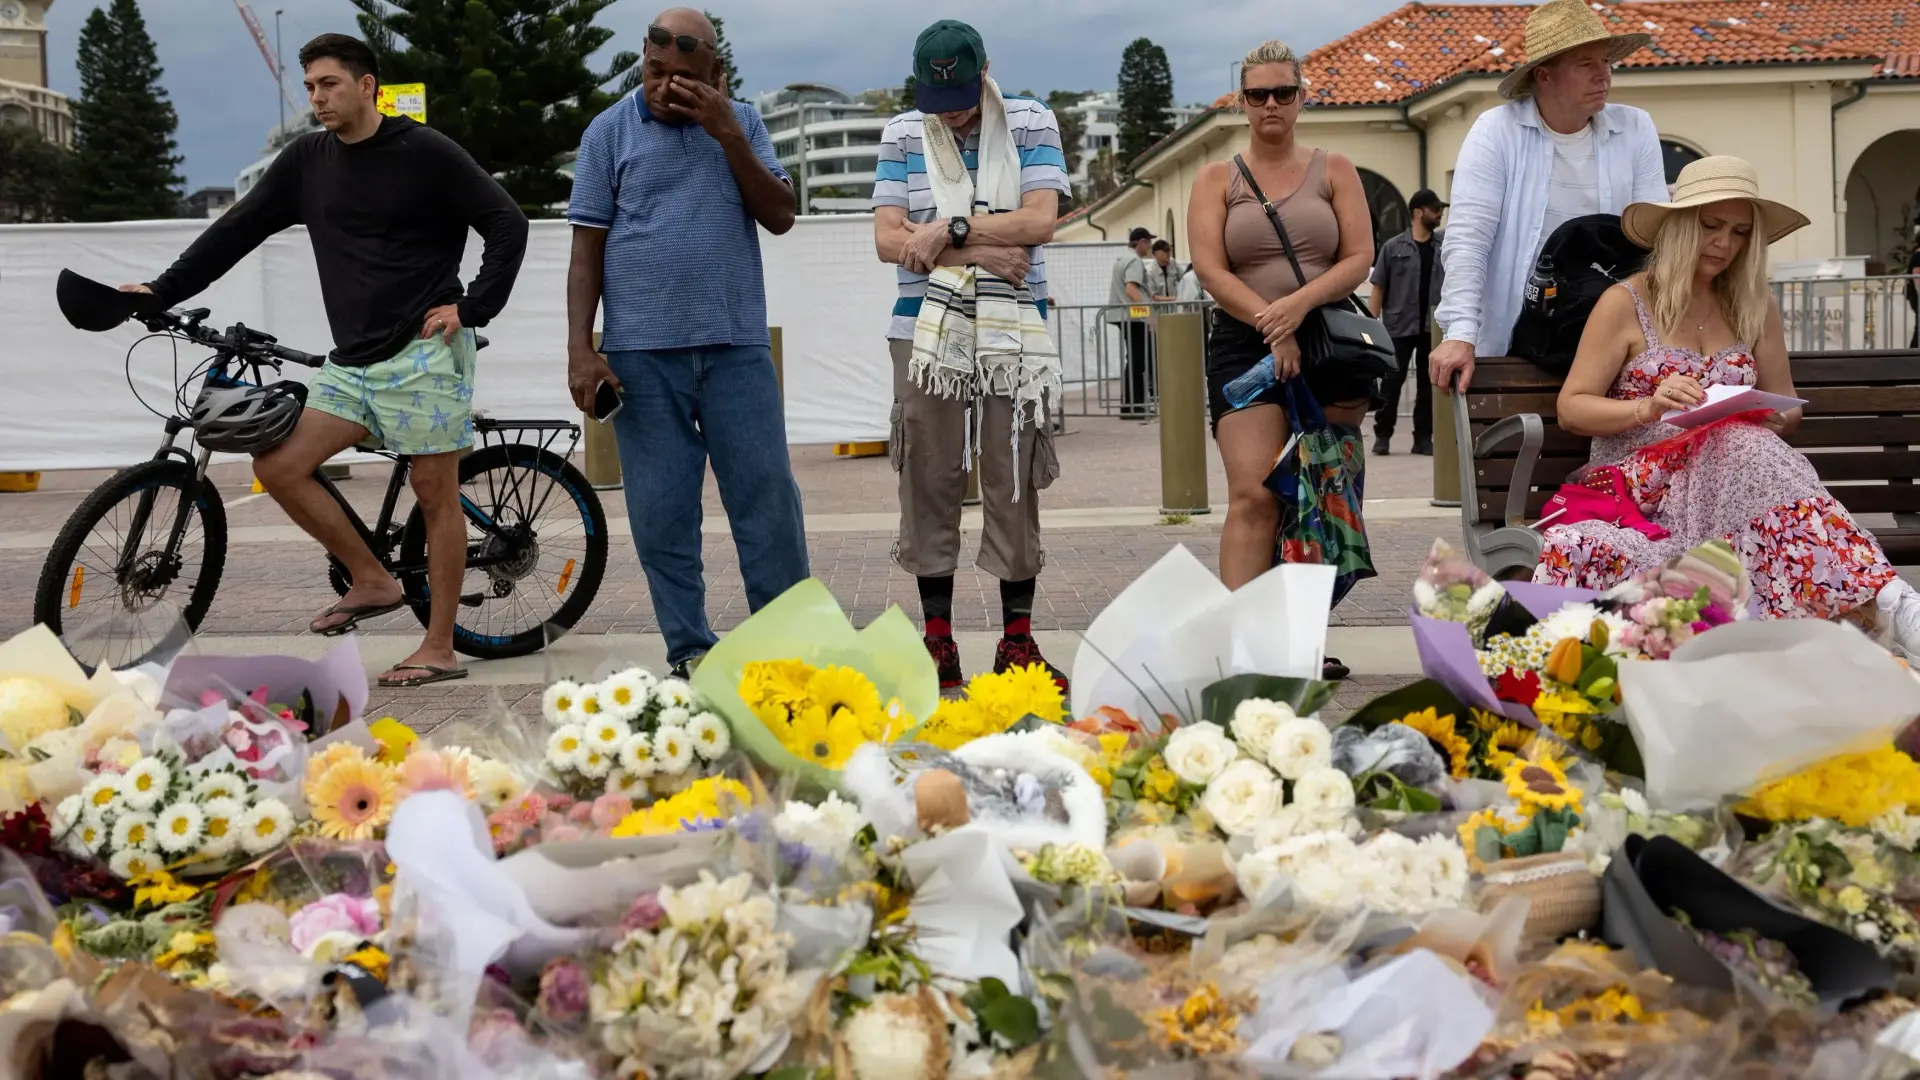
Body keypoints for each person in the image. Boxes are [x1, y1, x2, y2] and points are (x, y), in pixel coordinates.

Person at [123, 33, 528, 688]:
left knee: (434, 493)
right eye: (310, 86)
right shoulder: (306, 161)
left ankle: (439, 646)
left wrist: (473, 307)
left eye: (329, 84)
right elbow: (235, 231)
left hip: (425, 353)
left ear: (367, 86)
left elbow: (508, 222)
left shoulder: (426, 152)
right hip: (353, 361)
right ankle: (372, 578)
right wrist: (160, 291)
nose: (316, 97)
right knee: (279, 464)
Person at [1537, 156, 1920, 655]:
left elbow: (1789, 410)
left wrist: (1764, 413)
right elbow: (1572, 408)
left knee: (1738, 437)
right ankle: (1891, 604)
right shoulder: (1625, 302)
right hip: (1644, 487)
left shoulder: (1753, 304)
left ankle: (1885, 604)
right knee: (1738, 443)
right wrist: (1649, 407)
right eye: (1711, 226)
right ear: (1678, 227)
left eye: (1740, 232)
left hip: (1734, 482)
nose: (1724, 243)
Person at [566, 7, 809, 680]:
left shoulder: (744, 123)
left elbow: (781, 215)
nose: (664, 86)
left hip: (736, 348)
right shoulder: (607, 132)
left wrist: (726, 133)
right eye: (654, 71)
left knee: (767, 501)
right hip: (641, 357)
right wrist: (581, 349)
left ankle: (787, 647)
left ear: (715, 74)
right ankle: (690, 650)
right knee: (661, 513)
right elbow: (586, 250)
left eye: (682, 76)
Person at [871, 18, 1073, 693]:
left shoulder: (1030, 122)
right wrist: (984, 249)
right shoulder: (903, 133)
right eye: (938, 100)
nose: (951, 113)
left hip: (1013, 329)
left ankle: (1017, 641)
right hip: (923, 330)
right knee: (928, 474)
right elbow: (888, 240)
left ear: (985, 72)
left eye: (960, 96)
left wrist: (947, 231)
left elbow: (1040, 220)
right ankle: (938, 642)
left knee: (1012, 472)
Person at [1187, 38, 1377, 681]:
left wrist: (1297, 307)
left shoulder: (1334, 168)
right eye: (1258, 94)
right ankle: (1243, 648)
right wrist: (1273, 324)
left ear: (1301, 97)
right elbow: (1211, 270)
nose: (1271, 104)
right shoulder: (1217, 179)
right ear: (1241, 102)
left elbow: (1359, 257)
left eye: (1283, 92)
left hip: (1326, 341)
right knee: (1254, 494)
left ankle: (1298, 644)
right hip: (1245, 346)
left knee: (1319, 495)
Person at [1430, 0, 1666, 393]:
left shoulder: (1635, 128)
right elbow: (1469, 239)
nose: (1603, 74)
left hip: (1616, 338)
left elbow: (1655, 238)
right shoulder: (1496, 131)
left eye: (1606, 62)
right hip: (1517, 335)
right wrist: (1460, 332)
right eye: (1585, 64)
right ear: (1544, 75)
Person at [1368, 188, 1446, 455]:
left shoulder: (1443, 247)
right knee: (1391, 383)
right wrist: (1371, 326)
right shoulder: (1393, 248)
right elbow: (1378, 287)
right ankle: (1383, 436)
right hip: (1399, 327)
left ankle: (1422, 438)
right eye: (1435, 209)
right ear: (1418, 212)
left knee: (1428, 386)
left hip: (1431, 329)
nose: (1440, 214)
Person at [1108, 226, 1156, 417]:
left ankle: (1130, 404)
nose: (1150, 247)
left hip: (1126, 315)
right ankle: (1134, 405)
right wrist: (1149, 315)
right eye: (1149, 242)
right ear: (1142, 242)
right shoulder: (1134, 261)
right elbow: (1132, 290)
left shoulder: (1122, 258)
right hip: (1134, 317)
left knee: (1135, 360)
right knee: (1138, 361)